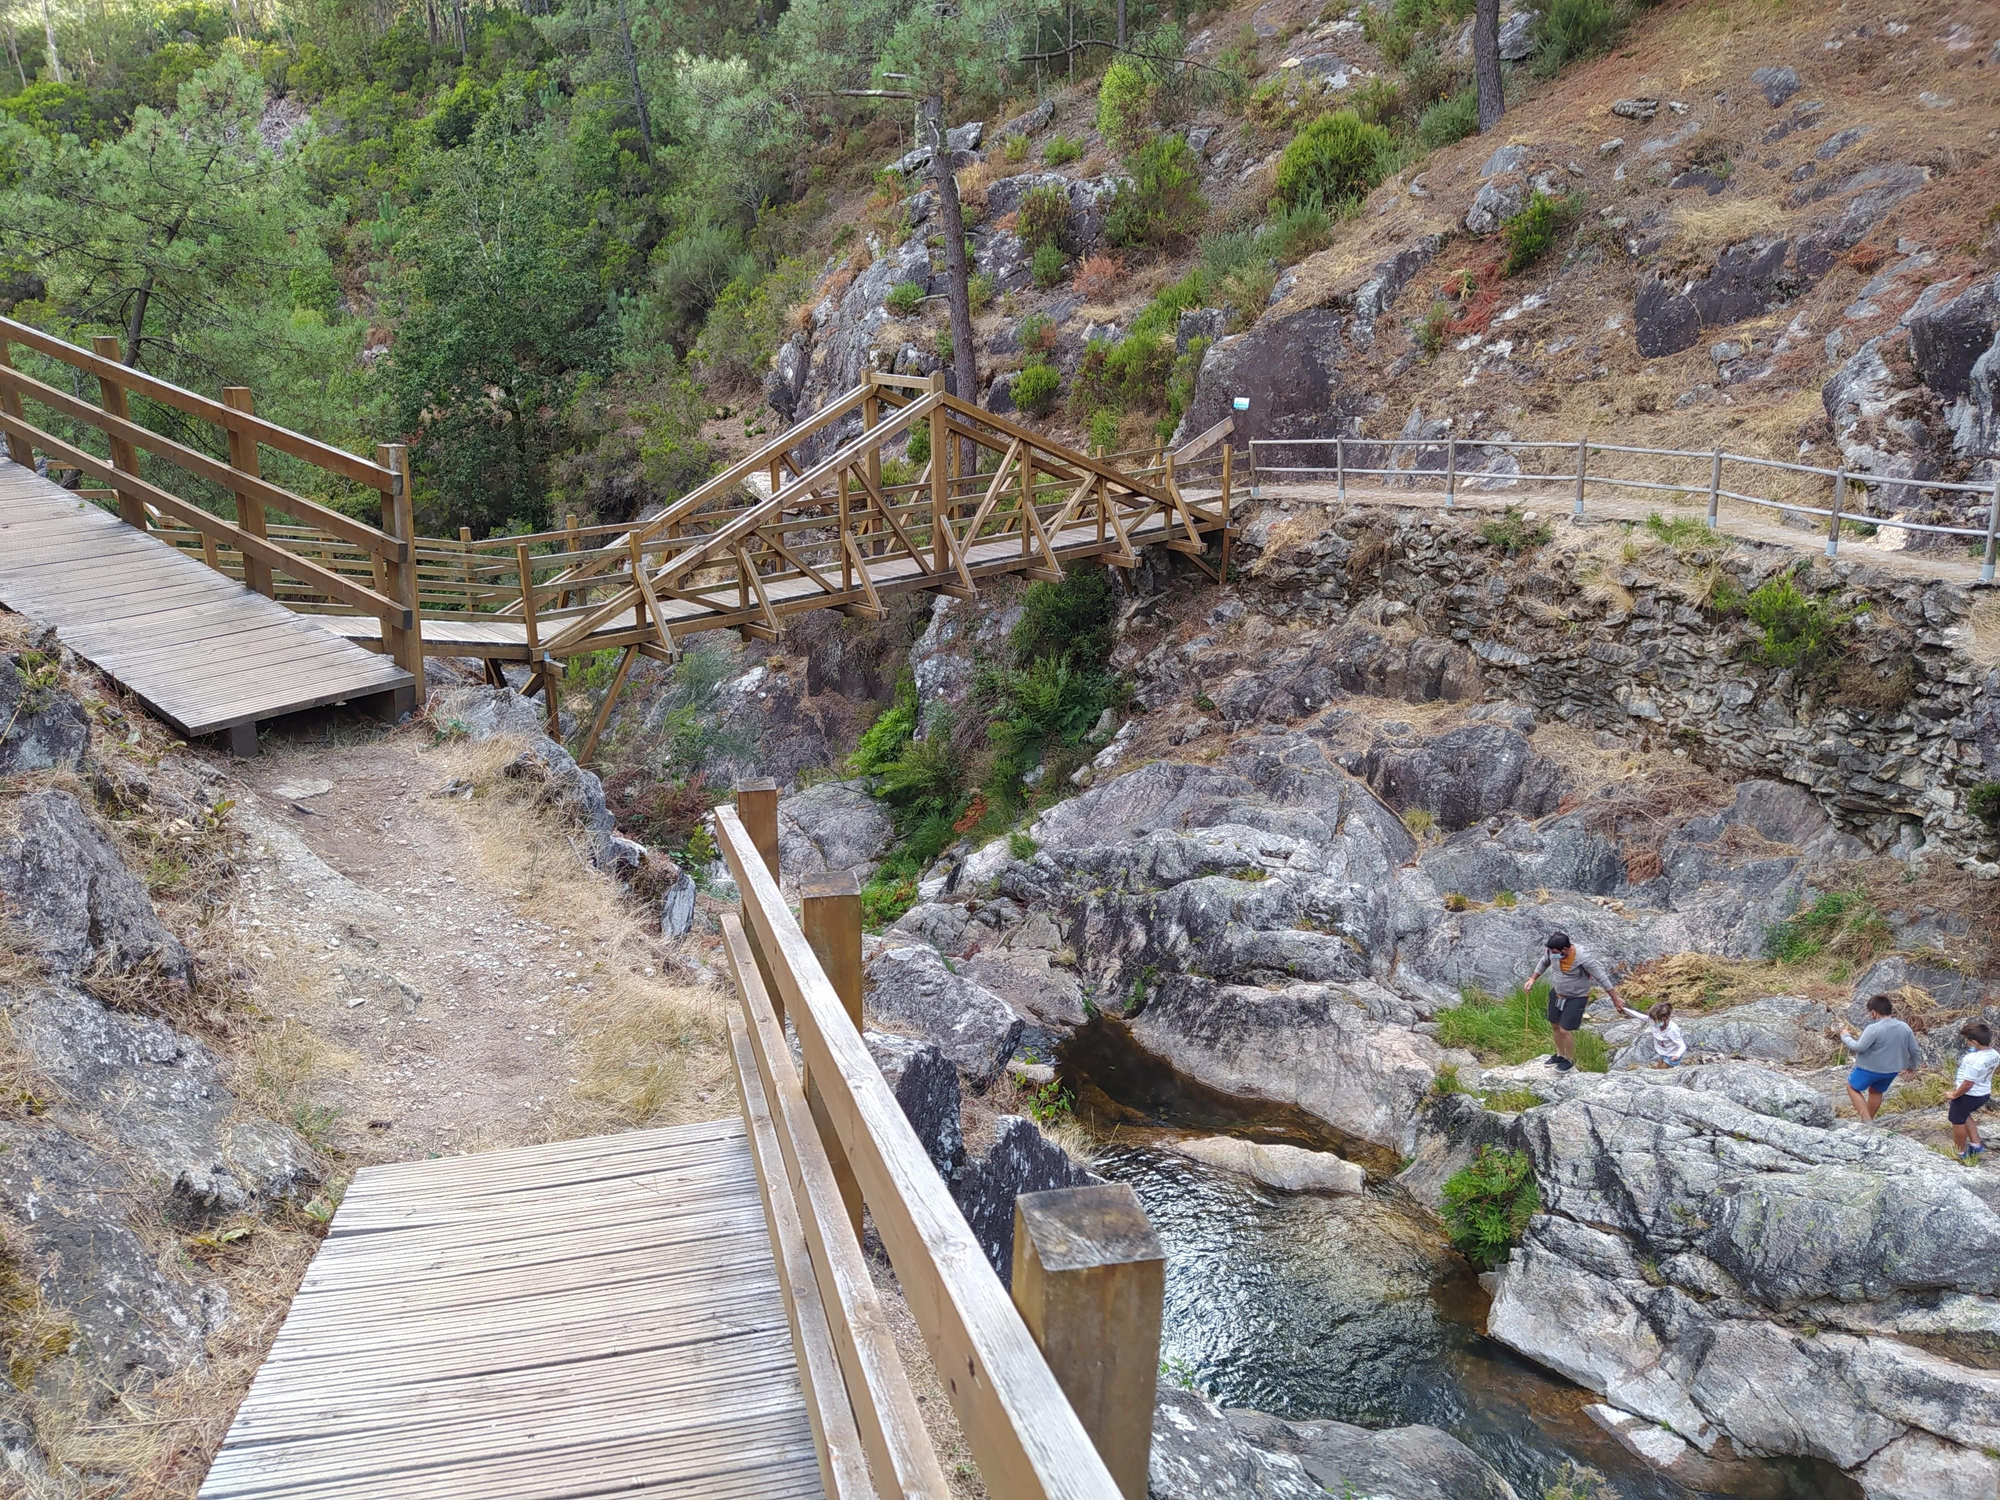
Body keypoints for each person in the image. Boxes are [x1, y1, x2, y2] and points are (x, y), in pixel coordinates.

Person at [1525, 932, 1631, 1073]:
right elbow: (1544, 962)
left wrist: (1615, 999)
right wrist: (1533, 979)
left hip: (1576, 997)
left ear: (1565, 949)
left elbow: (1601, 977)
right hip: (1557, 993)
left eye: (1555, 952)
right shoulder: (1552, 952)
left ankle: (1569, 1060)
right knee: (1555, 1025)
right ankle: (1559, 1055)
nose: (1552, 954)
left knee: (1565, 1029)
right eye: (1551, 951)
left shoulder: (1582, 957)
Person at [1832, 994, 1924, 1122]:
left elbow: (1859, 1047)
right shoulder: (1904, 1027)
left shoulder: (1874, 1028)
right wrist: (1912, 1067)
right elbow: (1914, 1050)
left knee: (1852, 1087)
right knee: (1876, 1091)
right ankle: (1869, 1120)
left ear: (1874, 1012)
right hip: (1892, 1070)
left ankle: (1866, 1120)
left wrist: (1845, 1037)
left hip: (1870, 1068)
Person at [1946, 1021, 1996, 1163]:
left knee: (1957, 1121)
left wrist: (1954, 1095)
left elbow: (1968, 1084)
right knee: (1965, 1115)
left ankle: (1961, 1151)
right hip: (1984, 1092)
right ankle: (1976, 1144)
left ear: (1974, 1042)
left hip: (1968, 1095)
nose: (1966, 1043)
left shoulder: (1972, 1060)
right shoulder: (1994, 1054)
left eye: (1968, 1041)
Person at [1644, 1001, 1687, 1068]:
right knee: (1658, 1068)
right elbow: (1641, 1017)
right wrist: (1625, 1009)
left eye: (1655, 1020)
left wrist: (1677, 1055)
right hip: (1663, 1053)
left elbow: (1682, 1045)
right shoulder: (1655, 1021)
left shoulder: (1672, 1030)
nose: (1652, 1021)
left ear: (1664, 1019)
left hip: (1672, 1056)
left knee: (1662, 1074)